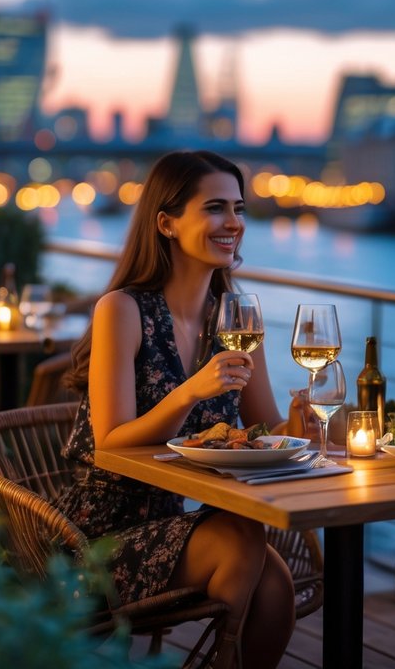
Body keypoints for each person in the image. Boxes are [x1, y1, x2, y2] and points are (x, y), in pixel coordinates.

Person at [55, 150, 308, 669]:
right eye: (215, 208)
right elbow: (111, 442)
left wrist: (311, 419)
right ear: (166, 223)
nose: (233, 223)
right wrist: (191, 390)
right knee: (243, 537)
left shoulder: (236, 317)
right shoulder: (122, 309)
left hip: (174, 521)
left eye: (238, 209)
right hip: (95, 537)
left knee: (276, 583)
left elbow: (267, 430)